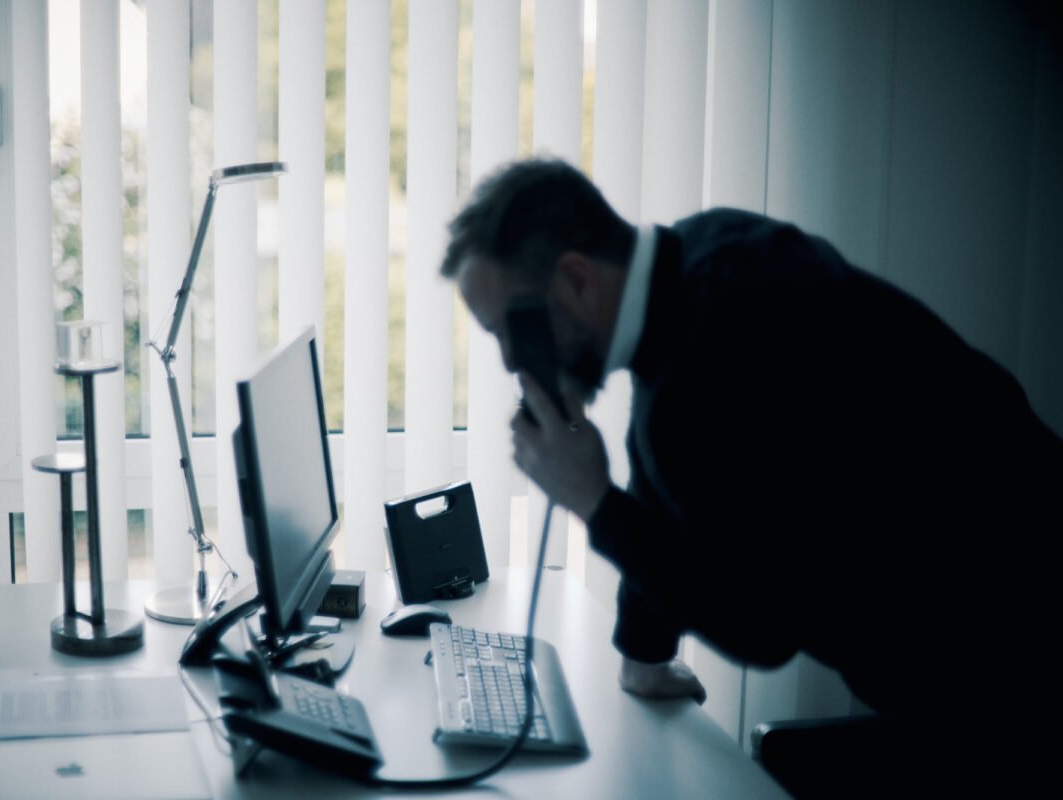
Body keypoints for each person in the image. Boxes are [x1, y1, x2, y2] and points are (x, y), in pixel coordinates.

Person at [440, 157, 1061, 795]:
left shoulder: (720, 348)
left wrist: (594, 502)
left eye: (510, 330)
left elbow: (759, 624)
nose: (513, 360)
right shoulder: (702, 260)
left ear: (575, 279)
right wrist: (644, 653)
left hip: (1020, 667)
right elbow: (665, 468)